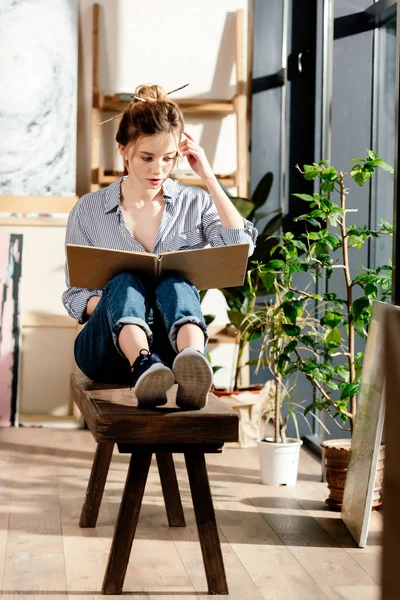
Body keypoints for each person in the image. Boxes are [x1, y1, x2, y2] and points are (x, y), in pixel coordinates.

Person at [62, 84, 257, 410]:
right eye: (147, 158)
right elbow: (75, 297)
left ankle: (192, 361)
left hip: (172, 347)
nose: (158, 170)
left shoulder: (195, 203)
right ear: (123, 150)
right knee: (125, 282)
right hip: (106, 352)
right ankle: (142, 363)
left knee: (176, 282)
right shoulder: (89, 209)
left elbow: (239, 248)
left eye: (169, 159)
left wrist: (208, 176)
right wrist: (131, 307)